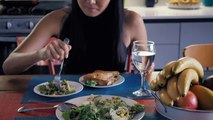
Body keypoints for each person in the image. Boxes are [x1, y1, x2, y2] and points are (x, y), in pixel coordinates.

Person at [3, 0, 149, 75]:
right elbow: (8, 66)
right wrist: (40, 54)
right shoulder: (57, 18)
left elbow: (145, 68)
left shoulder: (132, 21)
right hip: (70, 101)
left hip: (116, 103)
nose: (90, 1)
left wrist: (146, 68)